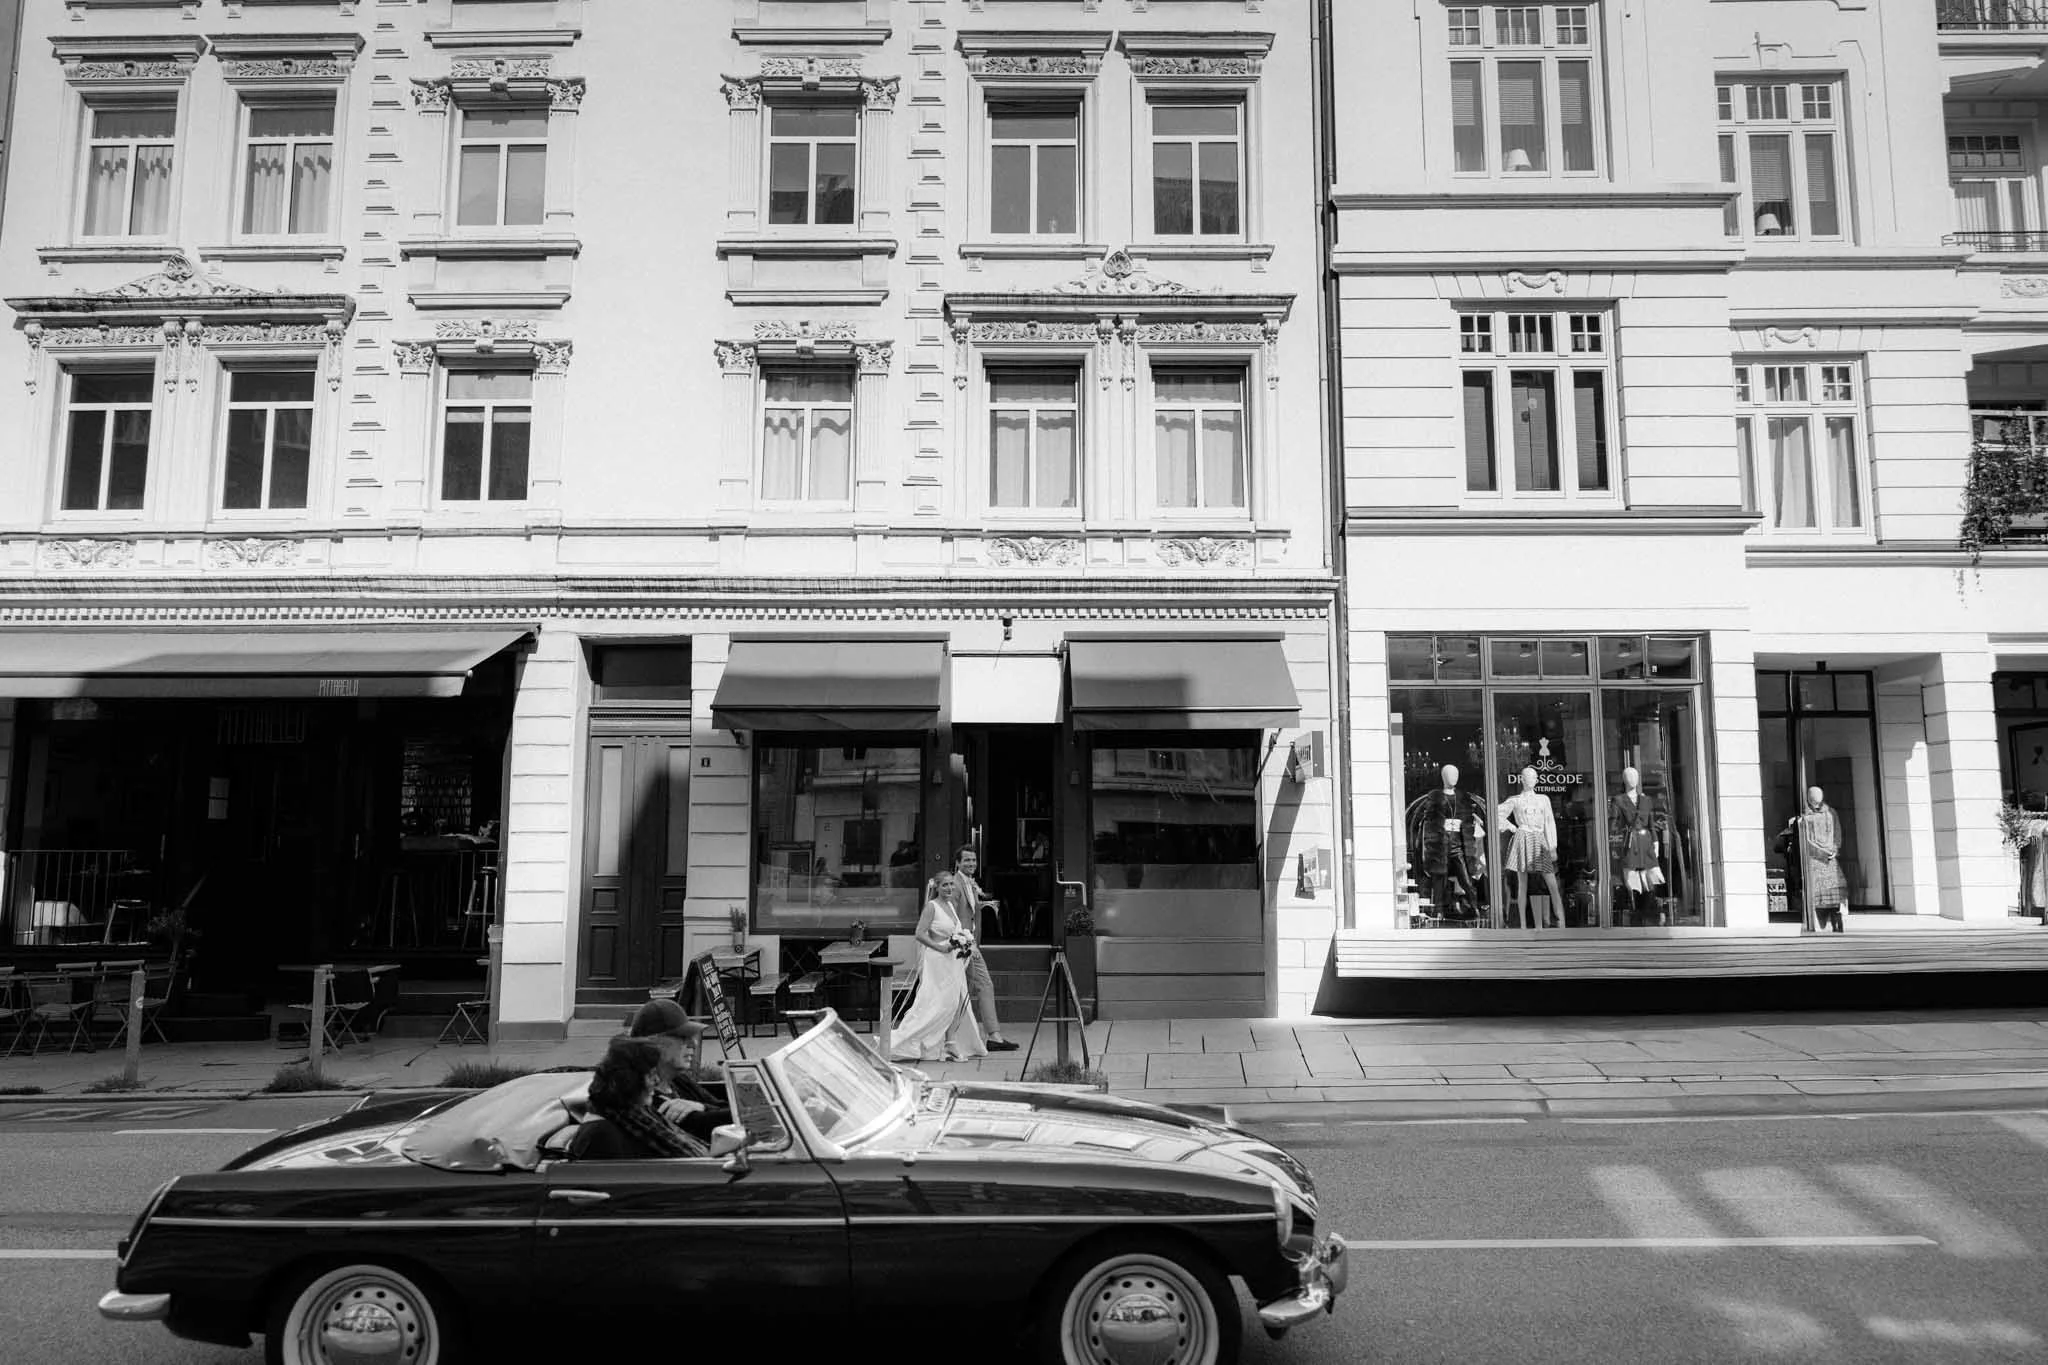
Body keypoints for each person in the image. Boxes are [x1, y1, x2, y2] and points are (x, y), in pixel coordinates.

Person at [891, 873, 986, 1062]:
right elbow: (919, 933)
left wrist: (966, 942)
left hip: (953, 960)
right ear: (937, 887)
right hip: (937, 960)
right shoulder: (931, 907)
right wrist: (940, 947)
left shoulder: (950, 905)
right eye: (945, 885)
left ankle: (950, 1042)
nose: (949, 888)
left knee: (955, 1000)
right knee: (936, 1002)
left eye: (951, 884)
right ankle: (904, 1041)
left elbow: (956, 931)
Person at [575, 1036, 709, 1160]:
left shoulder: (634, 1115)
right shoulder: (600, 1135)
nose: (657, 1081)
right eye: (651, 1075)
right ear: (630, 1080)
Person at [625, 997, 733, 1142]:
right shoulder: (647, 1095)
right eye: (683, 1038)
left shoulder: (676, 1079)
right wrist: (706, 1109)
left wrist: (702, 1106)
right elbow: (705, 1123)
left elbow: (721, 1107)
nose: (693, 1044)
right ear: (655, 1044)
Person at [952, 846, 1017, 1051]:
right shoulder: (955, 884)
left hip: (970, 945)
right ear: (958, 863)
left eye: (973, 860)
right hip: (961, 947)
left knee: (972, 988)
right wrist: (965, 943)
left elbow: (970, 912)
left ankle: (987, 1036)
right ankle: (991, 1036)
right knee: (981, 985)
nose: (971, 864)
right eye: (967, 860)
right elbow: (951, 916)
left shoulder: (969, 883)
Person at [1409, 764, 1486, 921]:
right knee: (1439, 881)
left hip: (1458, 844)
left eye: (1456, 774)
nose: (1454, 777)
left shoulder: (1463, 798)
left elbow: (1467, 820)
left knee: (1466, 879)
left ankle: (1474, 907)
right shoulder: (1434, 797)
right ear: (1444, 777)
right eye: (1450, 775)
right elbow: (1428, 821)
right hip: (1440, 844)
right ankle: (1438, 911)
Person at [1499, 766, 1564, 929]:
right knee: (1522, 883)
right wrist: (1512, 827)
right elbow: (1496, 813)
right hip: (1523, 837)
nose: (1529, 780)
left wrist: (1553, 846)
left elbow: (1549, 822)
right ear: (1522, 780)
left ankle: (1561, 919)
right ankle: (1522, 923)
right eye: (1526, 777)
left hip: (1539, 838)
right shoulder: (1515, 800)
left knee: (1551, 880)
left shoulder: (1543, 799)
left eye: (1532, 777)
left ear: (1536, 780)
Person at [1609, 766, 1665, 926]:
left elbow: (1652, 824)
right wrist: (1617, 841)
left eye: (1635, 776)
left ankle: (1649, 912)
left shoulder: (1646, 800)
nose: (1632, 779)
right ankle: (1635, 913)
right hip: (1629, 842)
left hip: (1646, 841)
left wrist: (1656, 842)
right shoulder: (1618, 800)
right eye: (1628, 776)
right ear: (1624, 779)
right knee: (1631, 877)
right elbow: (1613, 825)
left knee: (1650, 877)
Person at [1791, 786, 1846, 933]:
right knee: (1823, 893)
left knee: (1827, 893)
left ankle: (1830, 922)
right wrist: (1832, 850)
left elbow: (1836, 833)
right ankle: (1824, 922)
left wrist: (1832, 849)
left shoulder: (1825, 814)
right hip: (1822, 858)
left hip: (1822, 858)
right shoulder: (1808, 817)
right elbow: (1807, 839)